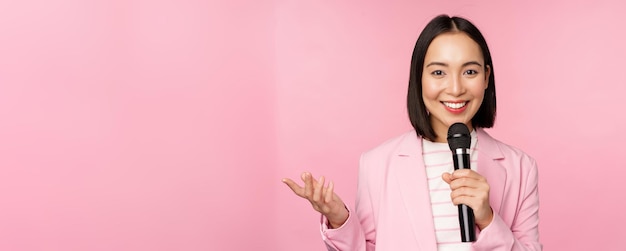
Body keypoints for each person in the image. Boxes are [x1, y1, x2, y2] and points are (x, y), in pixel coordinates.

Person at [282, 14, 541, 251]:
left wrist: (487, 218)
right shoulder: (377, 163)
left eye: (469, 72)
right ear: (419, 78)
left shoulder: (521, 167)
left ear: (486, 77)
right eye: (439, 72)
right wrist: (340, 222)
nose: (455, 88)